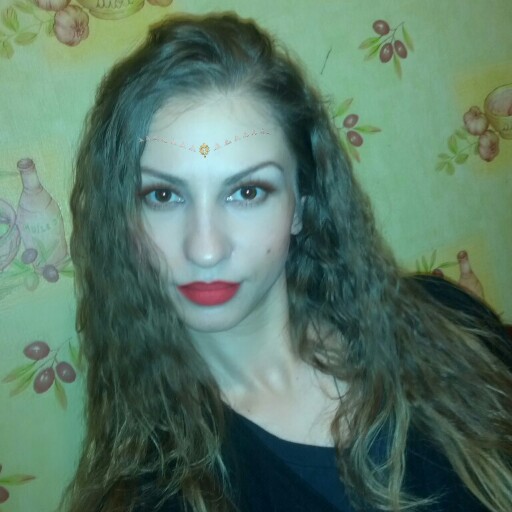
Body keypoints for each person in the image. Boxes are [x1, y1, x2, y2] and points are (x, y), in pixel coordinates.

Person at [63, 12, 512, 512]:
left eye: (247, 192)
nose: (205, 249)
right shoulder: (160, 496)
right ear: (123, 219)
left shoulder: (450, 324)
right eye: (164, 195)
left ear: (300, 205)